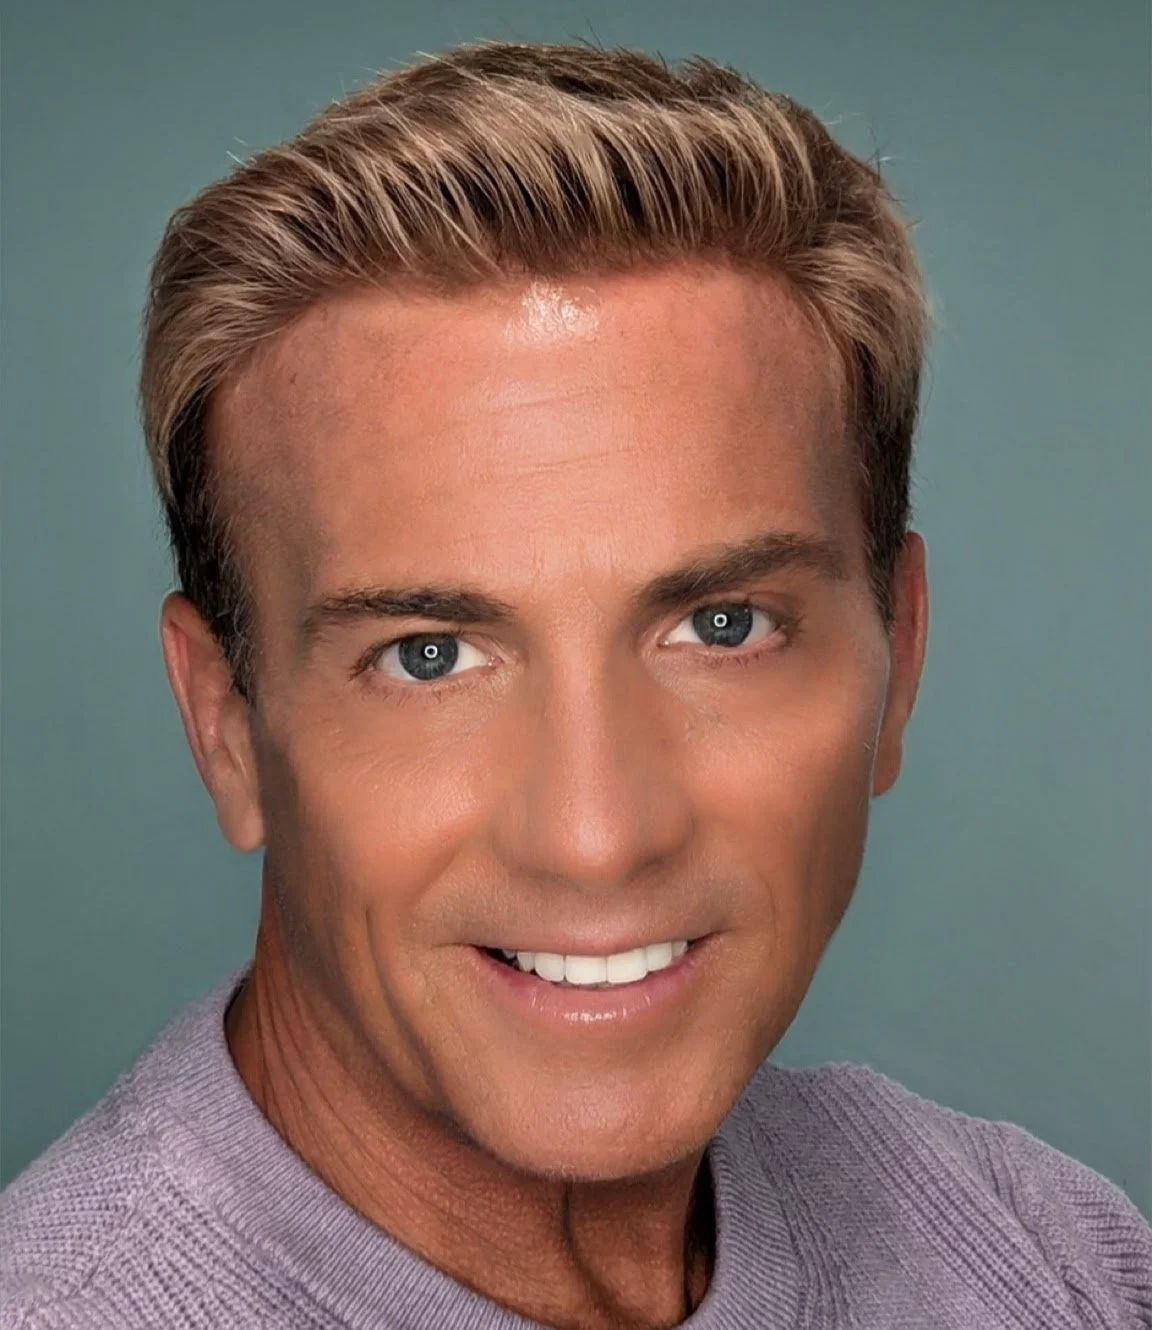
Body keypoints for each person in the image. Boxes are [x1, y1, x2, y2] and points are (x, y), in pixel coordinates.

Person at [2, 39, 1149, 1330]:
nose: (597, 836)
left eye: (722, 626)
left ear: (902, 653)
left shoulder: (1051, 1260)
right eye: (429, 655)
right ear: (225, 726)